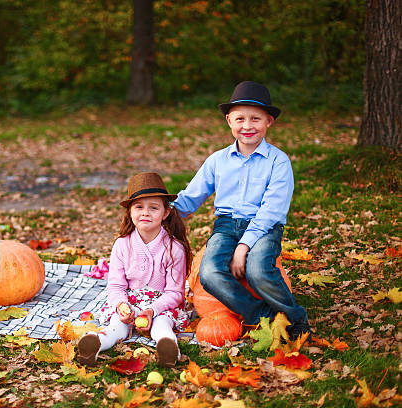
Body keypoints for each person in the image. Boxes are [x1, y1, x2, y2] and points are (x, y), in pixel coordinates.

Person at [173, 81, 310, 340]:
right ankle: (265, 317)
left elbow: (271, 212)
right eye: (240, 119)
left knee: (258, 270)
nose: (247, 126)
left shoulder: (279, 162)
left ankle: (296, 318)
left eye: (255, 119)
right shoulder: (217, 161)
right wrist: (159, 212)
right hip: (226, 226)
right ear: (229, 120)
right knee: (210, 273)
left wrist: (244, 246)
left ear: (269, 121)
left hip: (264, 229)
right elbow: (189, 199)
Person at [77, 172, 192, 367]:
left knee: (161, 324)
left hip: (161, 304)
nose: (145, 213)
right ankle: (95, 342)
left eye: (153, 208)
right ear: (130, 211)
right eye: (139, 207)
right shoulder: (122, 245)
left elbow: (175, 293)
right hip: (130, 301)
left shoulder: (174, 249)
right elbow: (115, 286)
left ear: (165, 213)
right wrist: (122, 306)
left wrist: (151, 310)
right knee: (117, 326)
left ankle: (168, 347)